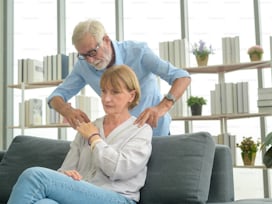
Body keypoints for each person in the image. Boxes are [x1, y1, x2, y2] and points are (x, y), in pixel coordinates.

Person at [7, 65, 153, 204]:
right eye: (104, 91)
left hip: (118, 198)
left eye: (115, 92)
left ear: (131, 96)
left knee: (34, 176)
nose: (106, 98)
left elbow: (119, 170)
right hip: (81, 194)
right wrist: (67, 174)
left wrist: (94, 139)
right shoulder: (89, 126)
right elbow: (65, 169)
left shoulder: (140, 130)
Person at [47, 19, 191, 136]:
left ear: (106, 40)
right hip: (120, 139)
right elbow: (56, 96)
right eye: (83, 55)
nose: (90, 60)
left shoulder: (138, 52)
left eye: (92, 52)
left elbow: (182, 77)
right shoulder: (83, 65)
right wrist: (67, 111)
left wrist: (161, 108)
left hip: (156, 135)